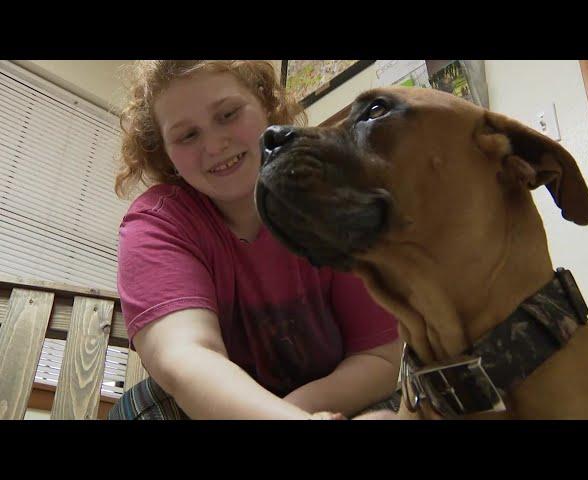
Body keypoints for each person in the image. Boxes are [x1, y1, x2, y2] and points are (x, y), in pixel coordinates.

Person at [107, 60, 402, 420]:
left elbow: (381, 357)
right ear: (165, 155)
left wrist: (296, 412)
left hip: (338, 392)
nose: (215, 145)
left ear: (266, 104)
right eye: (187, 135)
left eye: (228, 114)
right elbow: (186, 357)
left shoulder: (332, 199)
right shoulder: (157, 224)